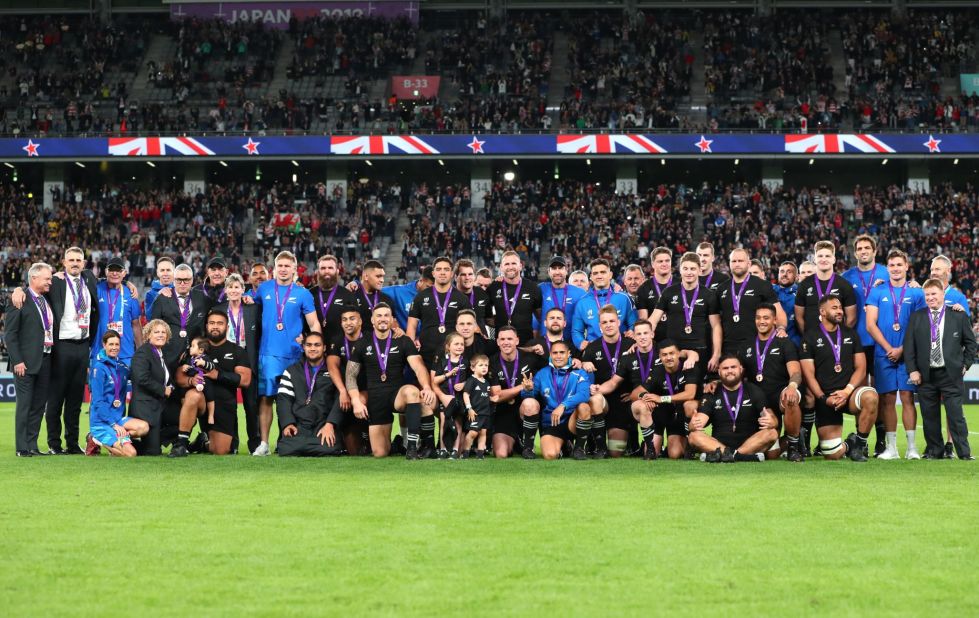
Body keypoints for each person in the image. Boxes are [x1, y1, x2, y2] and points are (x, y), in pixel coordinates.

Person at [347, 303, 437, 459]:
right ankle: (398, 444)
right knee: (380, 453)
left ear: (392, 320)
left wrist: (427, 387)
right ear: (372, 320)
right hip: (375, 398)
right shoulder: (363, 343)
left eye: (386, 315)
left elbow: (419, 367)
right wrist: (355, 400)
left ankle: (412, 448)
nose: (383, 319)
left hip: (397, 394)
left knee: (412, 392)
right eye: (379, 316)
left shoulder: (403, 340)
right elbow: (350, 375)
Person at [253, 251, 321, 456]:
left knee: (295, 400)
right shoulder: (263, 289)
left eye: (287, 266)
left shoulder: (303, 294)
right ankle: (264, 444)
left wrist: (312, 341)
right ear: (274, 269)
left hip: (294, 355)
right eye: (279, 265)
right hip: (268, 354)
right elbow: (248, 307)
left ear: (294, 269)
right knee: (266, 398)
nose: (283, 269)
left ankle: (291, 441)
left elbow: (314, 322)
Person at [800, 295, 879, 462]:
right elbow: (808, 375)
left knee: (871, 396)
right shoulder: (810, 336)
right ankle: (850, 443)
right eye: (834, 308)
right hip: (826, 398)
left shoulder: (851, 334)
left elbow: (861, 368)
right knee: (832, 454)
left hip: (849, 393)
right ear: (822, 311)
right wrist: (823, 398)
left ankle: (859, 445)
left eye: (840, 307)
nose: (839, 311)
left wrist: (847, 390)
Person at [905, 279, 976, 460]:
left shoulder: (958, 315)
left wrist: (966, 364)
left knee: (956, 416)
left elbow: (970, 343)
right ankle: (934, 451)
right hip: (926, 374)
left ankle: (964, 453)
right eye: (927, 295)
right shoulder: (917, 316)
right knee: (929, 416)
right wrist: (912, 370)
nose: (930, 298)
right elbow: (909, 346)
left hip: (950, 374)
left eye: (934, 294)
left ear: (942, 294)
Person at [864, 249, 926, 459]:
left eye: (899, 264)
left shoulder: (917, 293)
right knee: (888, 399)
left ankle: (912, 448)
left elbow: (919, 325)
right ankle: (891, 448)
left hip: (908, 355)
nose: (896, 269)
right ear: (887, 268)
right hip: (884, 354)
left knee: (908, 397)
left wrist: (902, 349)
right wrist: (889, 348)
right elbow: (870, 325)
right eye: (892, 265)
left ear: (907, 266)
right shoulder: (877, 292)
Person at [170, 310, 252, 457]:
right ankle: (181, 444)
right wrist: (190, 380)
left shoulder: (237, 351)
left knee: (220, 450)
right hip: (200, 400)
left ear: (227, 327)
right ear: (206, 326)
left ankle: (202, 442)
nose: (215, 326)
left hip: (223, 404)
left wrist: (218, 375)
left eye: (220, 323)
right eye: (212, 323)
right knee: (193, 395)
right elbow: (178, 376)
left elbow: (245, 380)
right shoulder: (195, 347)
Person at [45, 246, 100, 454]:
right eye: (71, 260)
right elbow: (34, 286)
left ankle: (72, 443)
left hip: (82, 346)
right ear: (64, 262)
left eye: (79, 260)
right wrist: (18, 291)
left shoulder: (89, 279)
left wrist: (129, 284)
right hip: (62, 346)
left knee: (76, 400)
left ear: (84, 264)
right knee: (56, 398)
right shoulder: (56, 281)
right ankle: (54, 444)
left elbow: (110, 284)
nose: (75, 263)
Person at [736, 303, 805, 462]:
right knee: (772, 455)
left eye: (766, 318)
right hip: (759, 401)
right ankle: (791, 438)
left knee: (790, 398)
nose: (762, 321)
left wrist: (792, 386)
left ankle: (794, 447)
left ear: (775, 320)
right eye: (758, 318)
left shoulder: (785, 343)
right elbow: (737, 374)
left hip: (779, 395)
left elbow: (795, 372)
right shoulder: (746, 345)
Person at [842, 234, 889, 456]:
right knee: (860, 394)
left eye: (867, 248)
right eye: (859, 248)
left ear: (874, 250)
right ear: (855, 252)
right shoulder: (846, 276)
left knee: (880, 392)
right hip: (856, 343)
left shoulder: (886, 273)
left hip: (880, 342)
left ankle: (881, 441)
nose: (863, 251)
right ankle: (861, 438)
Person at [689, 354, 779, 462]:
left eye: (733, 367)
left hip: (750, 444)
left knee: (772, 432)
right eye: (725, 368)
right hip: (718, 444)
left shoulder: (754, 390)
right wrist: (693, 424)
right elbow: (697, 423)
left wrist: (771, 421)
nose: (730, 371)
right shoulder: (711, 393)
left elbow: (773, 419)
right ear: (719, 372)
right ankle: (739, 456)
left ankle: (729, 455)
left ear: (740, 369)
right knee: (693, 436)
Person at [6, 262, 55, 456]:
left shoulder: (46, 299)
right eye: (47, 279)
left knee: (38, 405)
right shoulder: (19, 299)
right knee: (25, 404)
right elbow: (10, 334)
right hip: (24, 363)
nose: (50, 282)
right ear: (34, 278)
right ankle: (22, 447)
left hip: (46, 359)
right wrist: (17, 360)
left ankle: (33, 445)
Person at [649, 252, 722, 375]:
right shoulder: (669, 292)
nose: (689, 272)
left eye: (693, 269)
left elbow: (716, 326)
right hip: (674, 350)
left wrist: (716, 354)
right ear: (680, 270)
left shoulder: (709, 295)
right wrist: (640, 338)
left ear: (699, 270)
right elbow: (653, 320)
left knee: (695, 389)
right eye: (685, 268)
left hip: (699, 349)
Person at [519, 339, 593, 460]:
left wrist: (563, 405)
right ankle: (529, 447)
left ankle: (579, 449)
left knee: (584, 406)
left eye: (562, 352)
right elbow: (527, 399)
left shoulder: (579, 373)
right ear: (550, 354)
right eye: (555, 353)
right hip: (551, 423)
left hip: (572, 422)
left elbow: (584, 394)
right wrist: (528, 390)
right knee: (550, 455)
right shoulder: (542, 374)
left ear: (569, 354)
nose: (558, 356)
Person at [929, 254, 972, 457]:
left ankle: (949, 444)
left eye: (937, 269)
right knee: (931, 403)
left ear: (948, 271)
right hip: (929, 358)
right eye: (932, 269)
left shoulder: (958, 297)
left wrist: (964, 362)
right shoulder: (925, 292)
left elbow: (966, 330)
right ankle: (934, 445)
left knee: (950, 404)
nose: (933, 272)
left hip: (950, 360)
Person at [215, 273, 261, 453]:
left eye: (237, 287)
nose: (233, 290)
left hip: (248, 360)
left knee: (251, 405)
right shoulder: (218, 309)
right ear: (225, 290)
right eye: (230, 287)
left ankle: (254, 444)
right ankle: (232, 444)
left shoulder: (252, 309)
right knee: (229, 405)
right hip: (226, 360)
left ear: (243, 289)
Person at [276, 332, 343, 457]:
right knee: (285, 449)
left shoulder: (334, 372)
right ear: (303, 347)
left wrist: (330, 424)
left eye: (317, 345)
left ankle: (309, 445)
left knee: (329, 448)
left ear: (324, 348)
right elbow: (283, 400)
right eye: (309, 345)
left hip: (323, 424)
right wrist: (288, 423)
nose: (312, 348)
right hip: (299, 424)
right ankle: (307, 444)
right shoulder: (291, 371)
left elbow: (340, 399)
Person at [632, 338, 699, 460]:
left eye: (672, 353)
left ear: (679, 353)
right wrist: (645, 397)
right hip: (662, 413)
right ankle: (652, 447)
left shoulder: (688, 367)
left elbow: (690, 394)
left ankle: (691, 444)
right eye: (664, 355)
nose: (668, 358)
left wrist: (661, 398)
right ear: (660, 357)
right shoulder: (657, 371)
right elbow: (635, 393)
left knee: (675, 454)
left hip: (681, 414)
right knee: (651, 451)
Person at [86, 330, 149, 457]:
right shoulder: (98, 368)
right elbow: (98, 402)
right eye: (111, 344)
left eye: (117, 344)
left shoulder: (122, 367)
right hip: (101, 421)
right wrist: (113, 425)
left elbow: (139, 378)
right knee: (131, 454)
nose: (114, 348)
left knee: (144, 427)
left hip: (118, 418)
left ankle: (117, 439)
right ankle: (95, 439)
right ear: (104, 345)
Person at [582, 305, 635, 458]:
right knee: (596, 399)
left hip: (623, 400)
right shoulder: (592, 348)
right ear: (599, 326)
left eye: (612, 321)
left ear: (618, 322)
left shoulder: (631, 344)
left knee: (616, 452)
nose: (609, 325)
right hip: (602, 398)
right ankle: (599, 446)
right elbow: (582, 373)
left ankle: (631, 442)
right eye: (604, 322)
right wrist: (584, 363)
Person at [489, 326, 544, 459]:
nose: (506, 342)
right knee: (501, 454)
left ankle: (528, 448)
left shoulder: (531, 359)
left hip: (524, 410)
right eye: (502, 339)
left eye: (509, 339)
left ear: (517, 341)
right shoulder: (492, 361)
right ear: (497, 342)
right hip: (503, 412)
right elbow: (496, 396)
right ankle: (516, 442)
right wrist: (521, 387)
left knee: (530, 403)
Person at [717, 248, 785, 355]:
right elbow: (717, 322)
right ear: (729, 264)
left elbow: (778, 311)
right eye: (734, 261)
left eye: (741, 261)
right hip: (728, 346)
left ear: (748, 264)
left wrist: (781, 328)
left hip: (756, 344)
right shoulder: (721, 289)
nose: (737, 264)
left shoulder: (762, 285)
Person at [407, 256, 472, 361]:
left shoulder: (462, 298)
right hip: (425, 353)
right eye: (438, 269)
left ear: (451, 274)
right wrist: (410, 350)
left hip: (453, 354)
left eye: (446, 269)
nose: (442, 272)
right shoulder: (420, 297)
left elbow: (469, 327)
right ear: (433, 273)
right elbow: (411, 325)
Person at [129, 319, 176, 456]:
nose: (160, 335)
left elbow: (166, 378)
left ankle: (181, 443)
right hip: (145, 408)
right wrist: (163, 390)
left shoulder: (162, 354)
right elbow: (141, 378)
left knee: (181, 417)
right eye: (156, 332)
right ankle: (118, 441)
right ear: (148, 335)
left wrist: (170, 387)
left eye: (163, 332)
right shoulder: (143, 353)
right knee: (152, 452)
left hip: (160, 406)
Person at [325, 307, 368, 455]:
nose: (348, 323)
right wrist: (343, 391)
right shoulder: (336, 341)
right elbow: (332, 367)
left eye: (352, 318)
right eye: (344, 320)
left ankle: (367, 436)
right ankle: (337, 433)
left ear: (360, 321)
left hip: (367, 390)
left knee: (361, 399)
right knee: (354, 452)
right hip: (345, 391)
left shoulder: (369, 339)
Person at [150, 263, 209, 366]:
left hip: (195, 356)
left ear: (192, 280)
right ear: (173, 280)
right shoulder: (162, 299)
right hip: (168, 356)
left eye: (186, 280)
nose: (182, 283)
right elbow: (153, 328)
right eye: (178, 280)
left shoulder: (202, 297)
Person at [571, 258, 636, 351]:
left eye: (603, 272)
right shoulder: (582, 302)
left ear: (610, 275)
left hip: (621, 349)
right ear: (591, 277)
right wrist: (580, 342)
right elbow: (576, 330)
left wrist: (632, 331)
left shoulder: (623, 298)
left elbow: (634, 323)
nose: (599, 276)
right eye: (595, 273)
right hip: (594, 351)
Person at [795, 241, 857, 333]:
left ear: (834, 259)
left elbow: (851, 318)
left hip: (837, 342)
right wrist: (808, 338)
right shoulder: (804, 285)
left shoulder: (844, 285)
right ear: (814, 259)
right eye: (820, 256)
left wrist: (841, 336)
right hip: (811, 342)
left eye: (827, 256)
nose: (823, 259)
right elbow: (798, 317)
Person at [93, 256, 143, 365]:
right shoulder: (97, 289)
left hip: (125, 354)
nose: (115, 273)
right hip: (100, 353)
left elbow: (136, 325)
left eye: (118, 270)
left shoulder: (131, 294)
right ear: (106, 272)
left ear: (124, 273)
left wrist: (141, 351)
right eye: (111, 270)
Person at [487, 250, 542, 344]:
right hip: (502, 345)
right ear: (501, 267)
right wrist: (500, 325)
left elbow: (540, 316)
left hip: (526, 345)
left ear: (520, 265)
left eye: (513, 263)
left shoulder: (532, 287)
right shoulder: (493, 287)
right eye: (507, 264)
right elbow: (486, 317)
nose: (510, 267)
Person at [431, 332, 469, 457]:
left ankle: (454, 449)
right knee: (444, 421)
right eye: (456, 344)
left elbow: (472, 380)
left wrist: (464, 384)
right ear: (448, 346)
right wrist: (448, 374)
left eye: (462, 344)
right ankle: (443, 449)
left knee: (458, 422)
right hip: (446, 398)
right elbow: (435, 381)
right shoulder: (442, 362)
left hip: (459, 398)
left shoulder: (466, 362)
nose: (459, 346)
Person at [309, 254, 357, 343]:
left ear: (337, 271)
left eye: (330, 268)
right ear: (317, 272)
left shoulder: (347, 295)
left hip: (341, 348)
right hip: (315, 348)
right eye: (323, 268)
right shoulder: (309, 295)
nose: (327, 271)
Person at [537, 255, 585, 341]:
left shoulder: (579, 293)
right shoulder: (540, 289)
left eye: (560, 268)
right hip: (546, 343)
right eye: (554, 268)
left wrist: (612, 286)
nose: (557, 272)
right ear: (548, 272)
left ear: (566, 271)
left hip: (571, 343)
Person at [636, 246, 675, 342]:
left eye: (667, 260)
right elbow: (644, 322)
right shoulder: (643, 289)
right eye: (660, 261)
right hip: (655, 341)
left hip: (679, 340)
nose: (664, 264)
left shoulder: (681, 284)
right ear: (653, 264)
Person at [460, 354, 494, 458]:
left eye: (486, 365)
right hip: (475, 413)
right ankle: (465, 452)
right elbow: (466, 394)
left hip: (485, 413)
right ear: (473, 368)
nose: (484, 367)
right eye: (481, 365)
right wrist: (469, 408)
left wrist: (493, 399)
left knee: (483, 433)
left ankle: (480, 454)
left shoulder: (487, 383)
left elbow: (486, 397)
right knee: (473, 433)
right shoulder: (471, 381)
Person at [353, 260, 397, 329]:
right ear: (366, 276)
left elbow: (395, 328)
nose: (382, 280)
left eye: (382, 276)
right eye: (378, 276)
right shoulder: (351, 296)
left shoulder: (387, 299)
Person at [454, 259, 491, 336]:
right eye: (463, 274)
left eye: (470, 274)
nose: (467, 277)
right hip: (459, 343)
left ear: (474, 276)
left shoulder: (482, 293)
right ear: (456, 277)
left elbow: (488, 318)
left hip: (481, 342)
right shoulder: (449, 296)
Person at [773, 261, 802, 346]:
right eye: (782, 271)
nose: (784, 274)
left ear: (796, 277)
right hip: (771, 343)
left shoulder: (801, 293)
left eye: (789, 272)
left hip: (794, 342)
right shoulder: (770, 290)